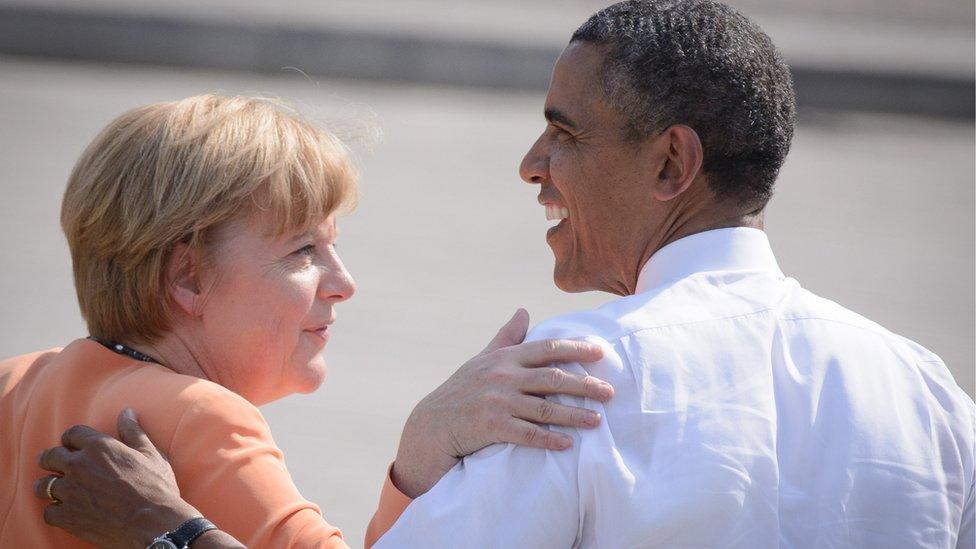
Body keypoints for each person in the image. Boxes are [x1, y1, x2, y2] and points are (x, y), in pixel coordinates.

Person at [34, 0, 976, 547]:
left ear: (669, 166)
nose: (531, 164)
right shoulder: (933, 395)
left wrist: (174, 532)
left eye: (564, 133)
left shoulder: (564, 384)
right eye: (302, 249)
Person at [0, 94, 617, 548]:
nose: (344, 284)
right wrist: (428, 441)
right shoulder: (203, 415)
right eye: (302, 252)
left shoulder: (17, 381)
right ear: (187, 277)